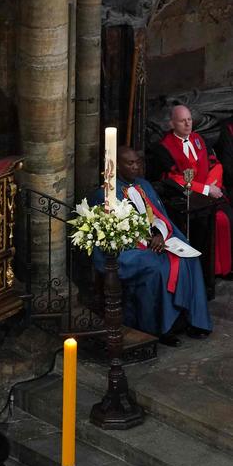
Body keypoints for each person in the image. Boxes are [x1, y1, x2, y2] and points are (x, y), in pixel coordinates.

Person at [91, 147, 212, 343]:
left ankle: (192, 320)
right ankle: (162, 328)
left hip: (154, 241)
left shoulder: (144, 185)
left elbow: (157, 215)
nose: (136, 166)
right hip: (126, 250)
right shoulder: (105, 194)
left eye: (137, 162)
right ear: (116, 166)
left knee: (189, 257)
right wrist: (148, 241)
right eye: (130, 163)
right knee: (160, 268)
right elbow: (115, 232)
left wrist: (159, 234)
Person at [155, 104, 233, 276]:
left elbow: (216, 164)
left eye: (189, 119)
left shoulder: (199, 139)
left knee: (226, 217)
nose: (187, 124)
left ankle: (223, 270)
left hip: (210, 195)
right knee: (211, 222)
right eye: (182, 121)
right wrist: (205, 189)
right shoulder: (164, 148)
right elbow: (173, 178)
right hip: (186, 200)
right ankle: (205, 273)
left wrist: (213, 187)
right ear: (172, 124)